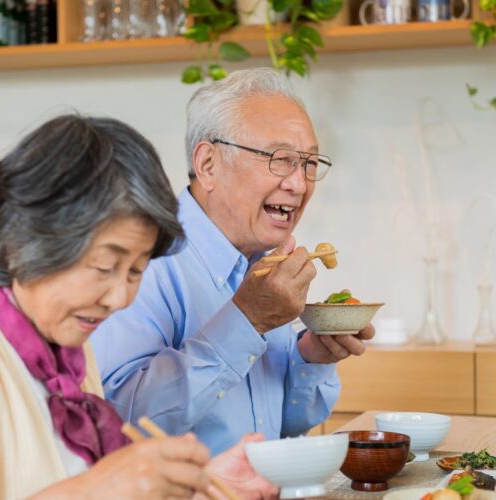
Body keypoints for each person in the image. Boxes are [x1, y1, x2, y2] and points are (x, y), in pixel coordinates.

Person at [0, 114, 276, 499]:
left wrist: (202, 484)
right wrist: (96, 489)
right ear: (24, 240)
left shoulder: (66, 351)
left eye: (135, 271)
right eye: (103, 266)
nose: (119, 299)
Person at [91, 68, 375, 455]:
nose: (299, 184)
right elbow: (121, 425)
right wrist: (247, 320)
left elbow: (281, 426)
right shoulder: (146, 257)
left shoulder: (263, 261)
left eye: (309, 163)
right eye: (280, 159)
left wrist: (311, 356)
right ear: (208, 164)